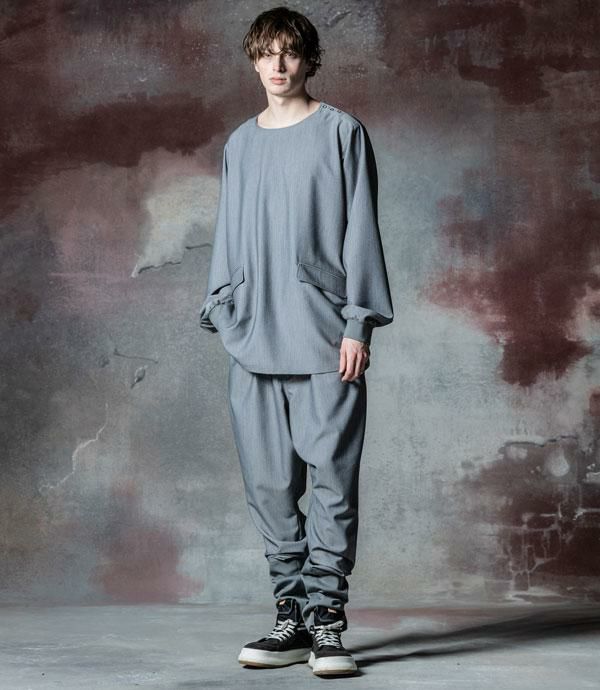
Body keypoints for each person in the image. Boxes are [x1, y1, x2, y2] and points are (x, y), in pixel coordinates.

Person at [199, 6, 394, 677]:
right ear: (254, 62)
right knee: (270, 488)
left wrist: (357, 322)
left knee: (332, 483)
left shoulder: (341, 132)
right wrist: (224, 312)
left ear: (309, 60)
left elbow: (361, 229)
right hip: (253, 340)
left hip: (323, 339)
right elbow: (228, 236)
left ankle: (328, 622)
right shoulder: (240, 143)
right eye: (266, 53)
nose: (277, 66)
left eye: (289, 53)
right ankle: (293, 617)